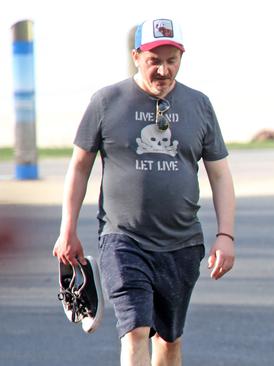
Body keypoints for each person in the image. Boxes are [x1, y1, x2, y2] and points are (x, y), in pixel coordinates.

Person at [52, 18, 236, 365]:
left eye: (172, 60)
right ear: (136, 56)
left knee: (169, 340)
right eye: (154, 60)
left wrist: (226, 234)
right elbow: (79, 167)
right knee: (135, 329)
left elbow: (221, 175)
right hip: (124, 239)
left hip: (182, 244)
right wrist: (68, 230)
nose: (164, 70)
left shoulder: (199, 104)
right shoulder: (107, 101)